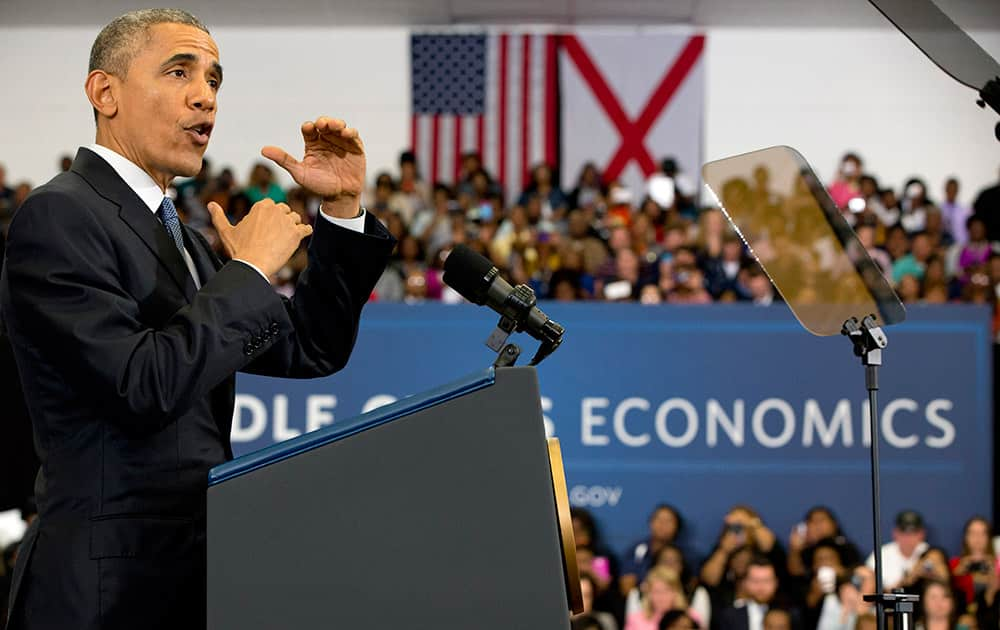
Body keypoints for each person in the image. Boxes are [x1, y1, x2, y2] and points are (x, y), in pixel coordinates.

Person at [1, 10, 394, 630]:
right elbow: (141, 387)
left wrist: (341, 213)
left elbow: (311, 348)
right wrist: (251, 274)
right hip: (103, 591)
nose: (204, 96)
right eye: (179, 71)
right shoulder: (60, 215)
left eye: (213, 79)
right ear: (105, 93)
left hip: (188, 580)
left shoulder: (178, 234)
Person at [866, 510, 929, 590]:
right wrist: (907, 580)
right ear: (895, 533)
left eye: (913, 532)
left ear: (922, 534)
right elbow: (867, 586)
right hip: (888, 601)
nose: (908, 537)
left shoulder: (930, 553)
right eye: (903, 532)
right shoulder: (881, 554)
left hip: (921, 600)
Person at [950, 517, 1000, 609]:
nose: (977, 538)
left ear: (989, 537)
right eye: (973, 533)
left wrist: (993, 571)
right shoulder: (954, 564)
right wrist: (957, 572)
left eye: (983, 533)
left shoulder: (997, 564)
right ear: (966, 537)